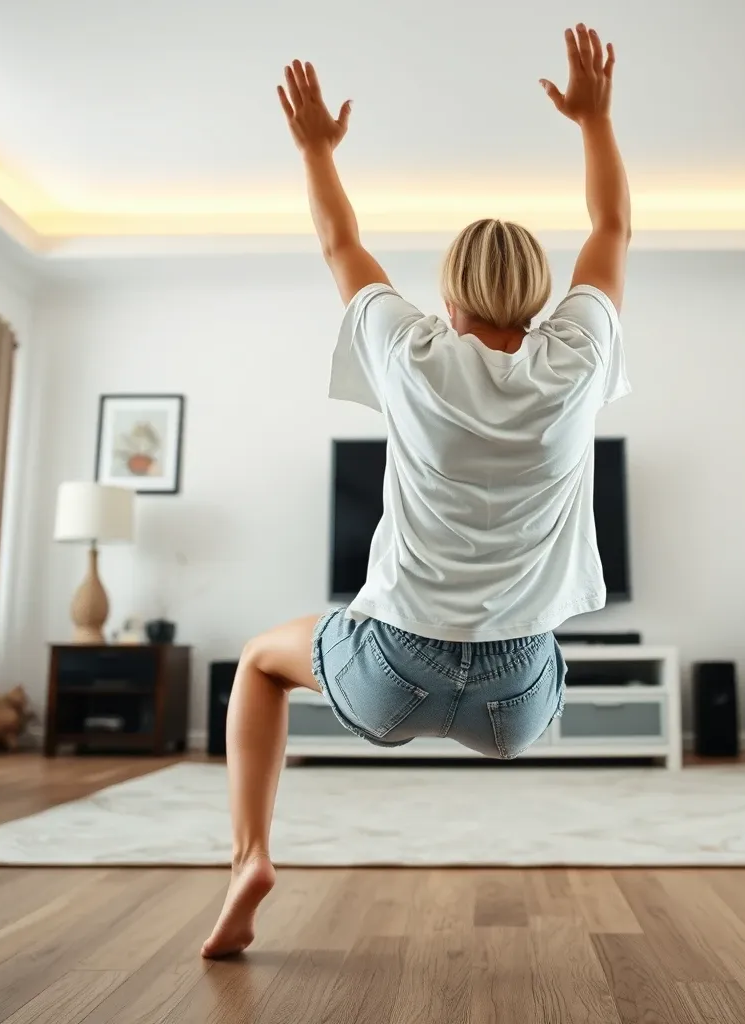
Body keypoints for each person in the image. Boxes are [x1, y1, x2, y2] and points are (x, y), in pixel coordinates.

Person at [201, 22, 631, 959]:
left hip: (391, 668)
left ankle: (250, 859)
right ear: (543, 295)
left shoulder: (409, 352)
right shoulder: (580, 357)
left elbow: (337, 240)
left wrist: (316, 147)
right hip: (515, 694)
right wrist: (595, 121)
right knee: (544, 645)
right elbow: (611, 230)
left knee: (256, 662)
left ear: (447, 298)